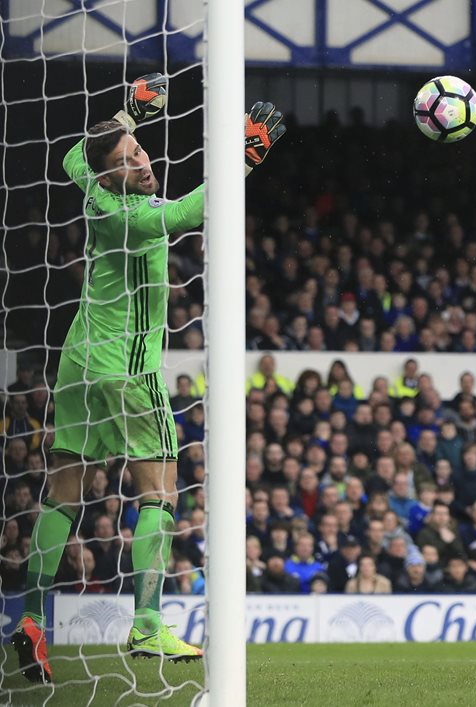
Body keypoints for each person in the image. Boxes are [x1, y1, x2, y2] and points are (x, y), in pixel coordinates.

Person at [12, 74, 286, 683]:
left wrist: (127, 114)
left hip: (78, 360)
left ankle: (30, 620)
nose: (141, 159)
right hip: (129, 368)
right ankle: (147, 625)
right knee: (160, 489)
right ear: (110, 178)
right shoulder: (130, 218)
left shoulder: (88, 179)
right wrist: (244, 154)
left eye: (138, 150)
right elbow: (196, 209)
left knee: (63, 492)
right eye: (127, 159)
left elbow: (69, 155)